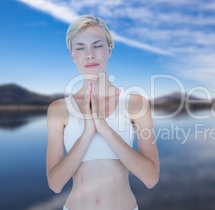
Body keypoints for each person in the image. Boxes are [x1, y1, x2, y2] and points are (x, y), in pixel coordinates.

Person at [46, 15, 159, 210]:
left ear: (110, 49)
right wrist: (88, 132)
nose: (89, 54)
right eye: (80, 48)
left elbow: (150, 178)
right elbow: (55, 184)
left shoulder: (135, 104)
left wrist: (104, 128)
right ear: (73, 56)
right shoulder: (58, 110)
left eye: (97, 45)